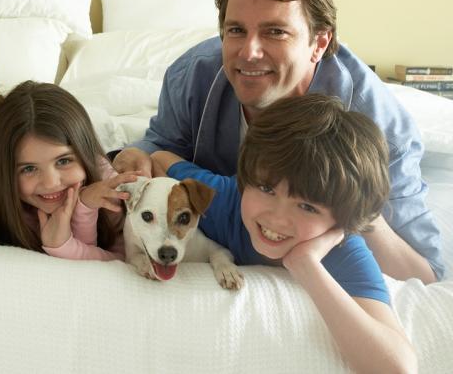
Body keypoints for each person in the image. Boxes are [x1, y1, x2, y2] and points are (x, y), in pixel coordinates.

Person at [113, 0, 443, 283]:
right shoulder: (190, 78)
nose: (249, 52)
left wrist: (354, 209)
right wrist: (135, 157)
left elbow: (425, 275)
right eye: (236, 30)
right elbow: (157, 151)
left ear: (319, 44)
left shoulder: (384, 130)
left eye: (275, 32)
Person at [152, 94, 417, 373]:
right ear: (245, 182)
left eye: (307, 207)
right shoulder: (223, 200)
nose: (276, 219)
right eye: (267, 190)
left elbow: (397, 367)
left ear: (338, 221)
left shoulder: (343, 250)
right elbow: (160, 160)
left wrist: (306, 266)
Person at [0, 81, 137, 260]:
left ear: (85, 153)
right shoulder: (13, 206)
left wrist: (83, 212)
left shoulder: (109, 191)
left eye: (63, 161)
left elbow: (126, 260)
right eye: (29, 168)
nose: (50, 183)